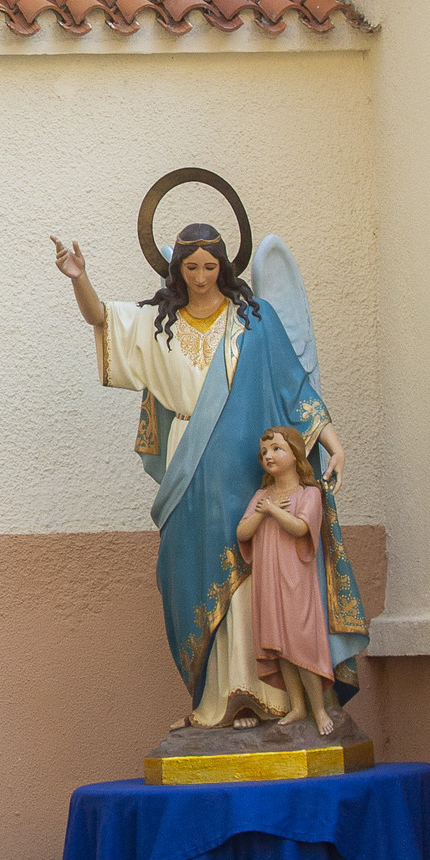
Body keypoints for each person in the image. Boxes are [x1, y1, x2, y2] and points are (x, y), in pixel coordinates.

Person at [51, 223, 366, 727]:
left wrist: (335, 446)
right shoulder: (161, 323)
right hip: (187, 462)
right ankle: (214, 699)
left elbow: (294, 386)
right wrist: (78, 278)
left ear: (225, 267)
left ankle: (270, 698)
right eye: (191, 267)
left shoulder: (253, 322)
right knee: (191, 571)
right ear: (177, 268)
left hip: (247, 465)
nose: (200, 277)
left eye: (210, 266)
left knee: (256, 570)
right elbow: (102, 319)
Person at [237, 427, 336, 734]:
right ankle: (297, 706)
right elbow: (242, 533)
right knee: (280, 646)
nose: (268, 456)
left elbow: (299, 528)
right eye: (264, 452)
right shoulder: (261, 496)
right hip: (268, 580)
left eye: (276, 449)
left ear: (296, 454)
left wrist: (273, 513)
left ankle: (319, 710)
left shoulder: (309, 494)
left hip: (296, 580)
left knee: (302, 643)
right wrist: (264, 511)